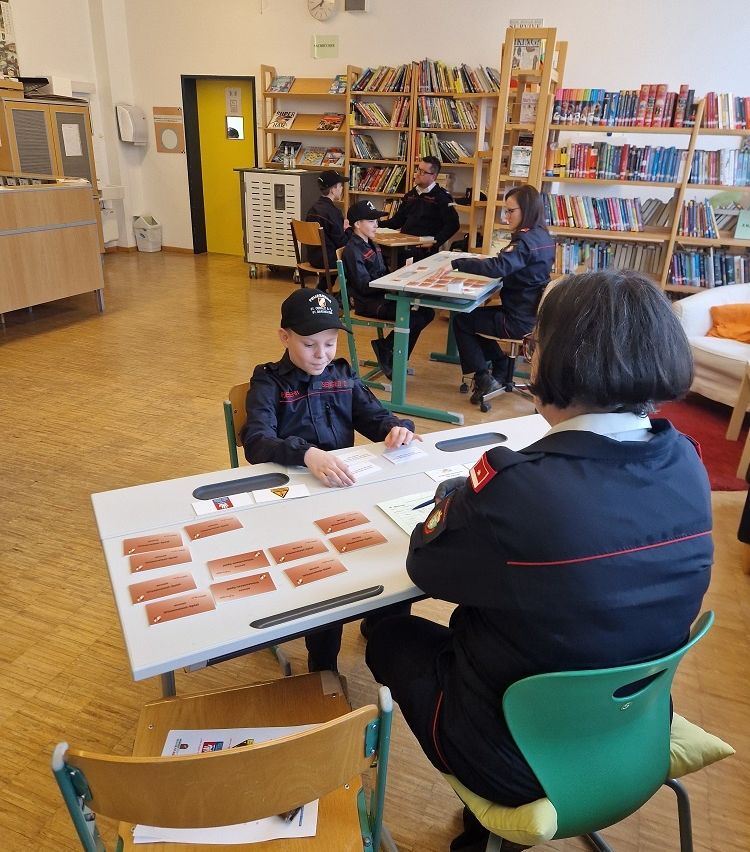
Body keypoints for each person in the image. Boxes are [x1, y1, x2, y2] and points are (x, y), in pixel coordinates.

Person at [365, 269, 712, 851]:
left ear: (558, 361)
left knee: (390, 635)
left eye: (534, 342)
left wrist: (457, 497)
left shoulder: (518, 487)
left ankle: (490, 828)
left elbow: (425, 565)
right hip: (635, 722)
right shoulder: (686, 461)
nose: (529, 354)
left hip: (516, 758)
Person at [241, 286, 418, 672]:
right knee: (326, 576)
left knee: (396, 546)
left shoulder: (341, 374)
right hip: (293, 499)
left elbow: (374, 417)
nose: (321, 354)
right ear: (284, 337)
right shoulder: (269, 381)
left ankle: (382, 625)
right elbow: (256, 441)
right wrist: (305, 453)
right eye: (309, 344)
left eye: (330, 342)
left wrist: (396, 429)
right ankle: (322, 665)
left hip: (344, 490)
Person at [450, 184, 555, 404]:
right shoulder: (543, 236)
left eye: (510, 211)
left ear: (526, 210)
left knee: (462, 321)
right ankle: (501, 363)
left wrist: (460, 263)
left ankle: (483, 378)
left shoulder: (524, 241)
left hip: (517, 320)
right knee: (473, 316)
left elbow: (498, 267)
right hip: (532, 314)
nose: (506, 217)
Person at [342, 199, 435, 380]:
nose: (376, 225)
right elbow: (364, 286)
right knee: (414, 317)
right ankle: (389, 353)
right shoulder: (352, 251)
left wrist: (399, 275)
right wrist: (390, 283)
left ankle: (392, 354)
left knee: (426, 312)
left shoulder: (372, 243)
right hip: (369, 303)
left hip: (382, 296)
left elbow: (382, 273)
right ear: (357, 224)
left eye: (376, 221)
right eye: (371, 221)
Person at [379, 155, 460, 262]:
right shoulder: (410, 195)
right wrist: (375, 224)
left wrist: (435, 241)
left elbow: (453, 224)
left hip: (423, 250)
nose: (417, 174)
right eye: (418, 169)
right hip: (404, 245)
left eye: (422, 172)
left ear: (433, 176)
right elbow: (397, 221)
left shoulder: (442, 198)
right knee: (377, 252)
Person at [304, 170, 350, 272]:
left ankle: (324, 282)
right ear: (333, 190)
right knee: (358, 254)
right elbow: (342, 242)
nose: (342, 188)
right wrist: (348, 229)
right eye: (340, 186)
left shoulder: (312, 209)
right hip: (330, 260)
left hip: (313, 258)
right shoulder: (334, 212)